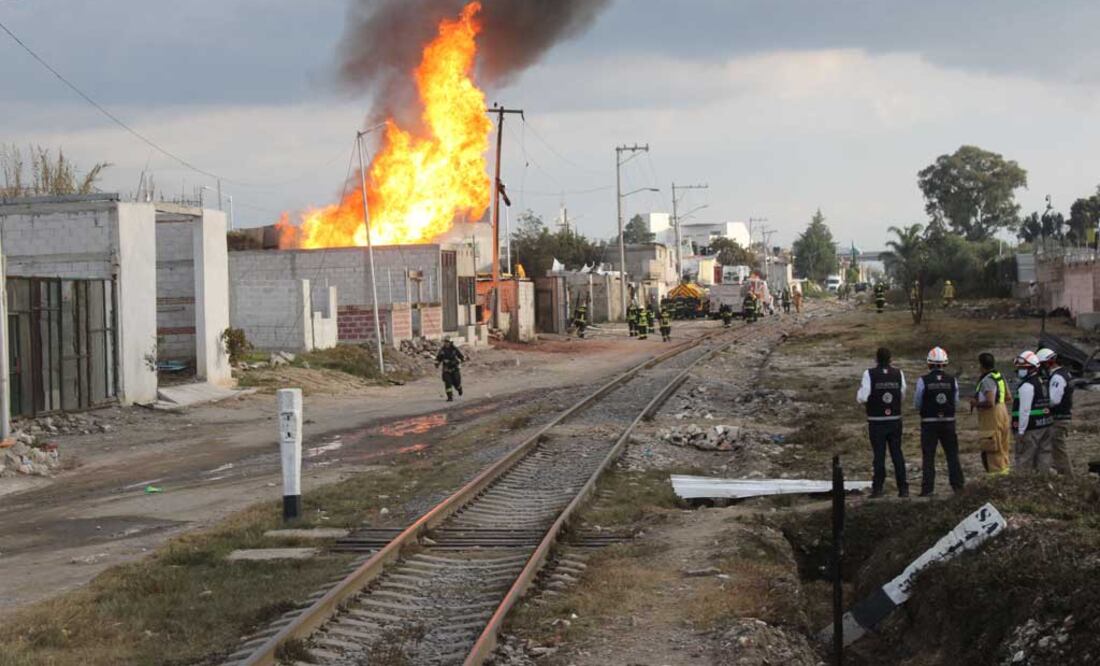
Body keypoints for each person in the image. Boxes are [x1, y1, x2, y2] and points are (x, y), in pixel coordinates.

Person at [856, 347, 910, 498]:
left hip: (876, 421)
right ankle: (903, 488)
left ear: (876, 359)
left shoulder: (869, 374)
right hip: (895, 419)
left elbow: (863, 397)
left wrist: (861, 398)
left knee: (879, 456)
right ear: (891, 359)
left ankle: (878, 488)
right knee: (897, 454)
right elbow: (902, 393)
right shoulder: (899, 373)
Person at [914, 347, 965, 495]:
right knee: (952, 455)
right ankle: (958, 486)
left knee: (928, 457)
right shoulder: (952, 381)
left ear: (929, 364)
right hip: (948, 423)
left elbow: (917, 403)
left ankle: (927, 489)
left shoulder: (923, 381)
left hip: (929, 424)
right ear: (945, 363)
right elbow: (955, 402)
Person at [969, 353, 1012, 476]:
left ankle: (996, 477)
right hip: (1003, 412)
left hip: (992, 416)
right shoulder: (999, 376)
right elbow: (1008, 397)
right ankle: (1005, 474)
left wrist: (976, 403)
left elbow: (990, 401)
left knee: (992, 446)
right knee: (1003, 446)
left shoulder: (987, 380)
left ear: (981, 365)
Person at [1011, 350, 1054, 472]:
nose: (1019, 370)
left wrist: (1020, 431)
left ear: (1031, 368)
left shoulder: (1027, 385)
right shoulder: (1043, 382)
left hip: (1031, 429)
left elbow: (1024, 410)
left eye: (1022, 367)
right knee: (1044, 457)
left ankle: (1023, 486)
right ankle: (1043, 483)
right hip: (1046, 424)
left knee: (1025, 459)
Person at [1037, 348, 1074, 476]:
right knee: (1055, 448)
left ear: (1049, 363)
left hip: (1058, 418)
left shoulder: (1057, 377)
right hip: (1063, 416)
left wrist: (1040, 402)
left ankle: (1068, 476)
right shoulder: (1065, 373)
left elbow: (1054, 400)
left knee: (1058, 449)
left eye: (1041, 365)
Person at [435, 337, 465, 402]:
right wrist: (437, 363)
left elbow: (461, 357)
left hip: (454, 369)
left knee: (456, 383)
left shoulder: (454, 349)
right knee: (448, 383)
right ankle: (449, 397)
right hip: (446, 369)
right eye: (445, 342)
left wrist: (461, 360)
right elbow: (438, 358)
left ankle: (459, 388)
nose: (446, 343)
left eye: (447, 342)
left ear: (450, 342)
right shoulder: (442, 350)